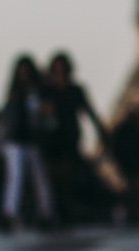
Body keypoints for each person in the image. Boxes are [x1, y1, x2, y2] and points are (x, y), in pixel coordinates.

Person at [40, 51, 111, 224]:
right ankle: (54, 212)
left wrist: (101, 130)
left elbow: (88, 111)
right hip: (50, 141)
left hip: (68, 139)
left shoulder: (75, 90)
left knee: (66, 179)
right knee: (51, 180)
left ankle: (64, 213)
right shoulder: (46, 90)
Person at [0, 56, 55, 231]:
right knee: (16, 177)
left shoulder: (36, 91)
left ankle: (46, 213)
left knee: (39, 179)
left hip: (30, 141)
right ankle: (10, 213)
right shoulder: (19, 93)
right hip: (17, 140)